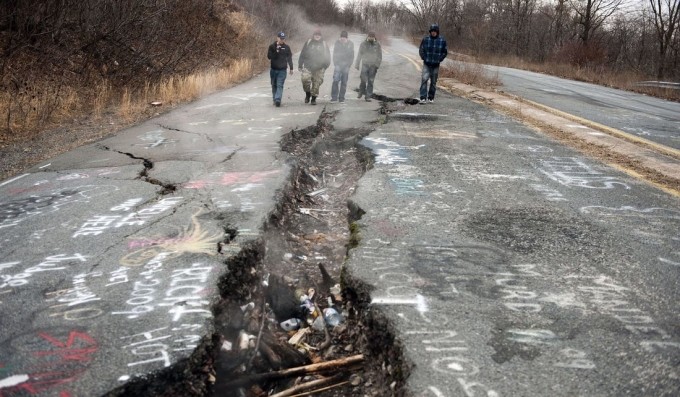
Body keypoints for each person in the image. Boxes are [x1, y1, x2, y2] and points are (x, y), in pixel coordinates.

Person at [298, 28, 331, 105]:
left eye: (318, 35)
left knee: (316, 84)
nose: (317, 36)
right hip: (308, 66)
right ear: (313, 35)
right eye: (316, 35)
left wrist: (325, 67)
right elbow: (302, 53)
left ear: (321, 36)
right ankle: (307, 94)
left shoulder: (324, 44)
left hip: (319, 68)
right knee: (305, 80)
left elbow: (328, 56)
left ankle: (313, 99)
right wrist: (300, 64)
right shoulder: (308, 42)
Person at [418, 24, 448, 104]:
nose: (433, 33)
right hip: (427, 64)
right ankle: (423, 97)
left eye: (435, 31)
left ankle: (431, 97)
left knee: (433, 82)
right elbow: (421, 49)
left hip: (436, 65)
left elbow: (445, 52)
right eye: (432, 31)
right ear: (430, 32)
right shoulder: (426, 39)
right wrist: (424, 57)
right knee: (424, 79)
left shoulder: (442, 40)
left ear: (437, 32)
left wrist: (440, 59)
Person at [267, 32, 294, 107]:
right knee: (274, 84)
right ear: (277, 38)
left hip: (282, 70)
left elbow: (289, 58)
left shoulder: (287, 47)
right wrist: (276, 51)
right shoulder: (272, 46)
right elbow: (269, 57)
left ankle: (278, 99)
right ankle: (274, 99)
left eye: (283, 38)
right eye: (281, 38)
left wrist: (291, 68)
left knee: (279, 84)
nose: (282, 40)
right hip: (273, 69)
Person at [355, 31, 382, 102]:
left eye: (372, 37)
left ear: (374, 37)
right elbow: (359, 54)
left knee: (370, 81)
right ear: (368, 36)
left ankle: (368, 96)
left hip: (373, 66)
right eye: (370, 37)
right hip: (365, 64)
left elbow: (379, 56)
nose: (371, 38)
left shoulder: (377, 44)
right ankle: (361, 91)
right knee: (363, 79)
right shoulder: (363, 44)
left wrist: (377, 65)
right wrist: (357, 64)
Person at [330, 31, 354, 103]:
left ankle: (341, 98)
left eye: (344, 37)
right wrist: (335, 63)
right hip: (338, 64)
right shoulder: (337, 43)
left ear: (347, 38)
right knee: (335, 80)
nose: (343, 38)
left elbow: (352, 55)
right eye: (342, 37)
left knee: (344, 82)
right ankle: (334, 97)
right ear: (340, 37)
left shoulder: (350, 44)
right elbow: (334, 53)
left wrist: (349, 64)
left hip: (346, 65)